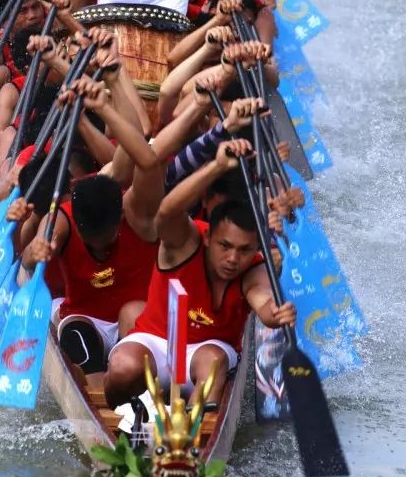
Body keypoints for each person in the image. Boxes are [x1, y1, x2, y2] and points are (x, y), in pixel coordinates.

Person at [103, 140, 296, 409]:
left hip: (206, 354)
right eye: (225, 246)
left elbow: (262, 299)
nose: (233, 259)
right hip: (156, 343)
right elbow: (168, 210)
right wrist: (216, 166)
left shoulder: (255, 266)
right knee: (124, 366)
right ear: (208, 237)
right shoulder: (185, 242)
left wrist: (276, 315)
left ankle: (193, 438)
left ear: (255, 247)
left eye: (244, 250)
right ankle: (119, 417)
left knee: (213, 360)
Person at [16, 73, 164, 373]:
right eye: (91, 243)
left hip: (135, 320)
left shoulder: (136, 212)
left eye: (107, 241)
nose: (101, 249)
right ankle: (97, 389)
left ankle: (128, 391)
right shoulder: (61, 218)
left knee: (133, 316)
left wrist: (112, 85)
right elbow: (36, 246)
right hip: (85, 320)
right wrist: (36, 252)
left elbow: (139, 151)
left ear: (120, 216)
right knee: (79, 343)